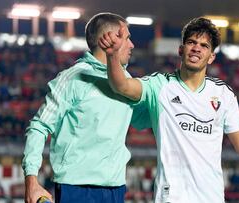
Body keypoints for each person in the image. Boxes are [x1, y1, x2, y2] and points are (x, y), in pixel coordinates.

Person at [99, 17, 239, 202]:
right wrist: (112, 57)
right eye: (191, 42)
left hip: (211, 196)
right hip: (171, 196)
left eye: (204, 45)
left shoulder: (223, 94)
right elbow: (122, 86)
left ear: (211, 57)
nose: (196, 48)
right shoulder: (159, 86)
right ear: (181, 49)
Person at [22, 12, 148, 203]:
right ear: (108, 38)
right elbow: (39, 127)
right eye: (127, 38)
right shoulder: (73, 78)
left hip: (116, 188)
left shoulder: (127, 81)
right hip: (77, 187)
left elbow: (140, 121)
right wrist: (31, 180)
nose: (132, 45)